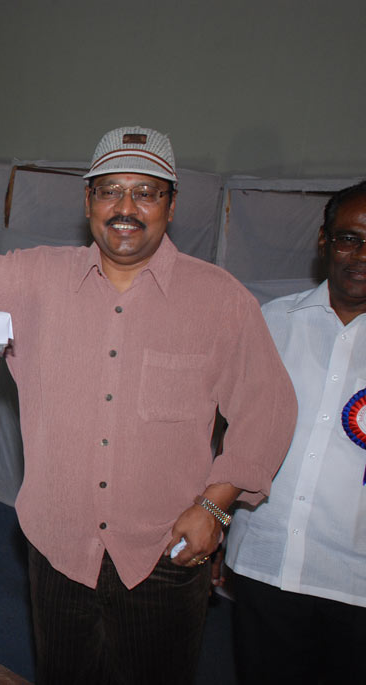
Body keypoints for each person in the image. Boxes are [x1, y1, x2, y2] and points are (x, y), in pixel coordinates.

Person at [0, 126, 298, 685]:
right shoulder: (37, 277)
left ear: (171, 205)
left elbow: (268, 408)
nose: (126, 208)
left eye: (146, 192)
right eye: (110, 190)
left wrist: (215, 507)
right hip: (57, 548)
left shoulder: (220, 300)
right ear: (88, 200)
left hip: (165, 552)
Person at [224, 180, 366, 685]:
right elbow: (233, 433)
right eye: (349, 238)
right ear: (324, 241)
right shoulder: (271, 322)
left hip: (357, 583)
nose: (361, 256)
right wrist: (218, 523)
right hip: (266, 565)